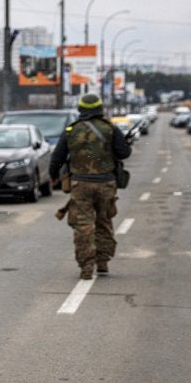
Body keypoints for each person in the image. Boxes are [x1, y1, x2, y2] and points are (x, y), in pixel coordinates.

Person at [48, 93, 131, 280]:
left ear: (81, 108)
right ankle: (102, 262)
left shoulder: (71, 130)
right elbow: (124, 153)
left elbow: (57, 157)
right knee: (104, 221)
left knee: (83, 226)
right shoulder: (111, 129)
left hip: (81, 184)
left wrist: (53, 176)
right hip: (106, 184)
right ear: (100, 108)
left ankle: (86, 266)